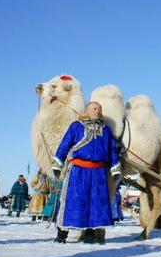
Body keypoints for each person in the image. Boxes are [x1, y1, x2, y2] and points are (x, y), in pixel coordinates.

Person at [51, 101, 121, 244]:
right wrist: (58, 163)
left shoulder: (106, 130)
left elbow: (112, 151)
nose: (98, 111)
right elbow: (65, 144)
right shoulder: (76, 126)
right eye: (94, 108)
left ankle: (89, 234)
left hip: (98, 172)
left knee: (94, 203)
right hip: (78, 171)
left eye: (100, 109)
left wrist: (115, 168)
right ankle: (62, 233)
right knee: (74, 201)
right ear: (86, 111)